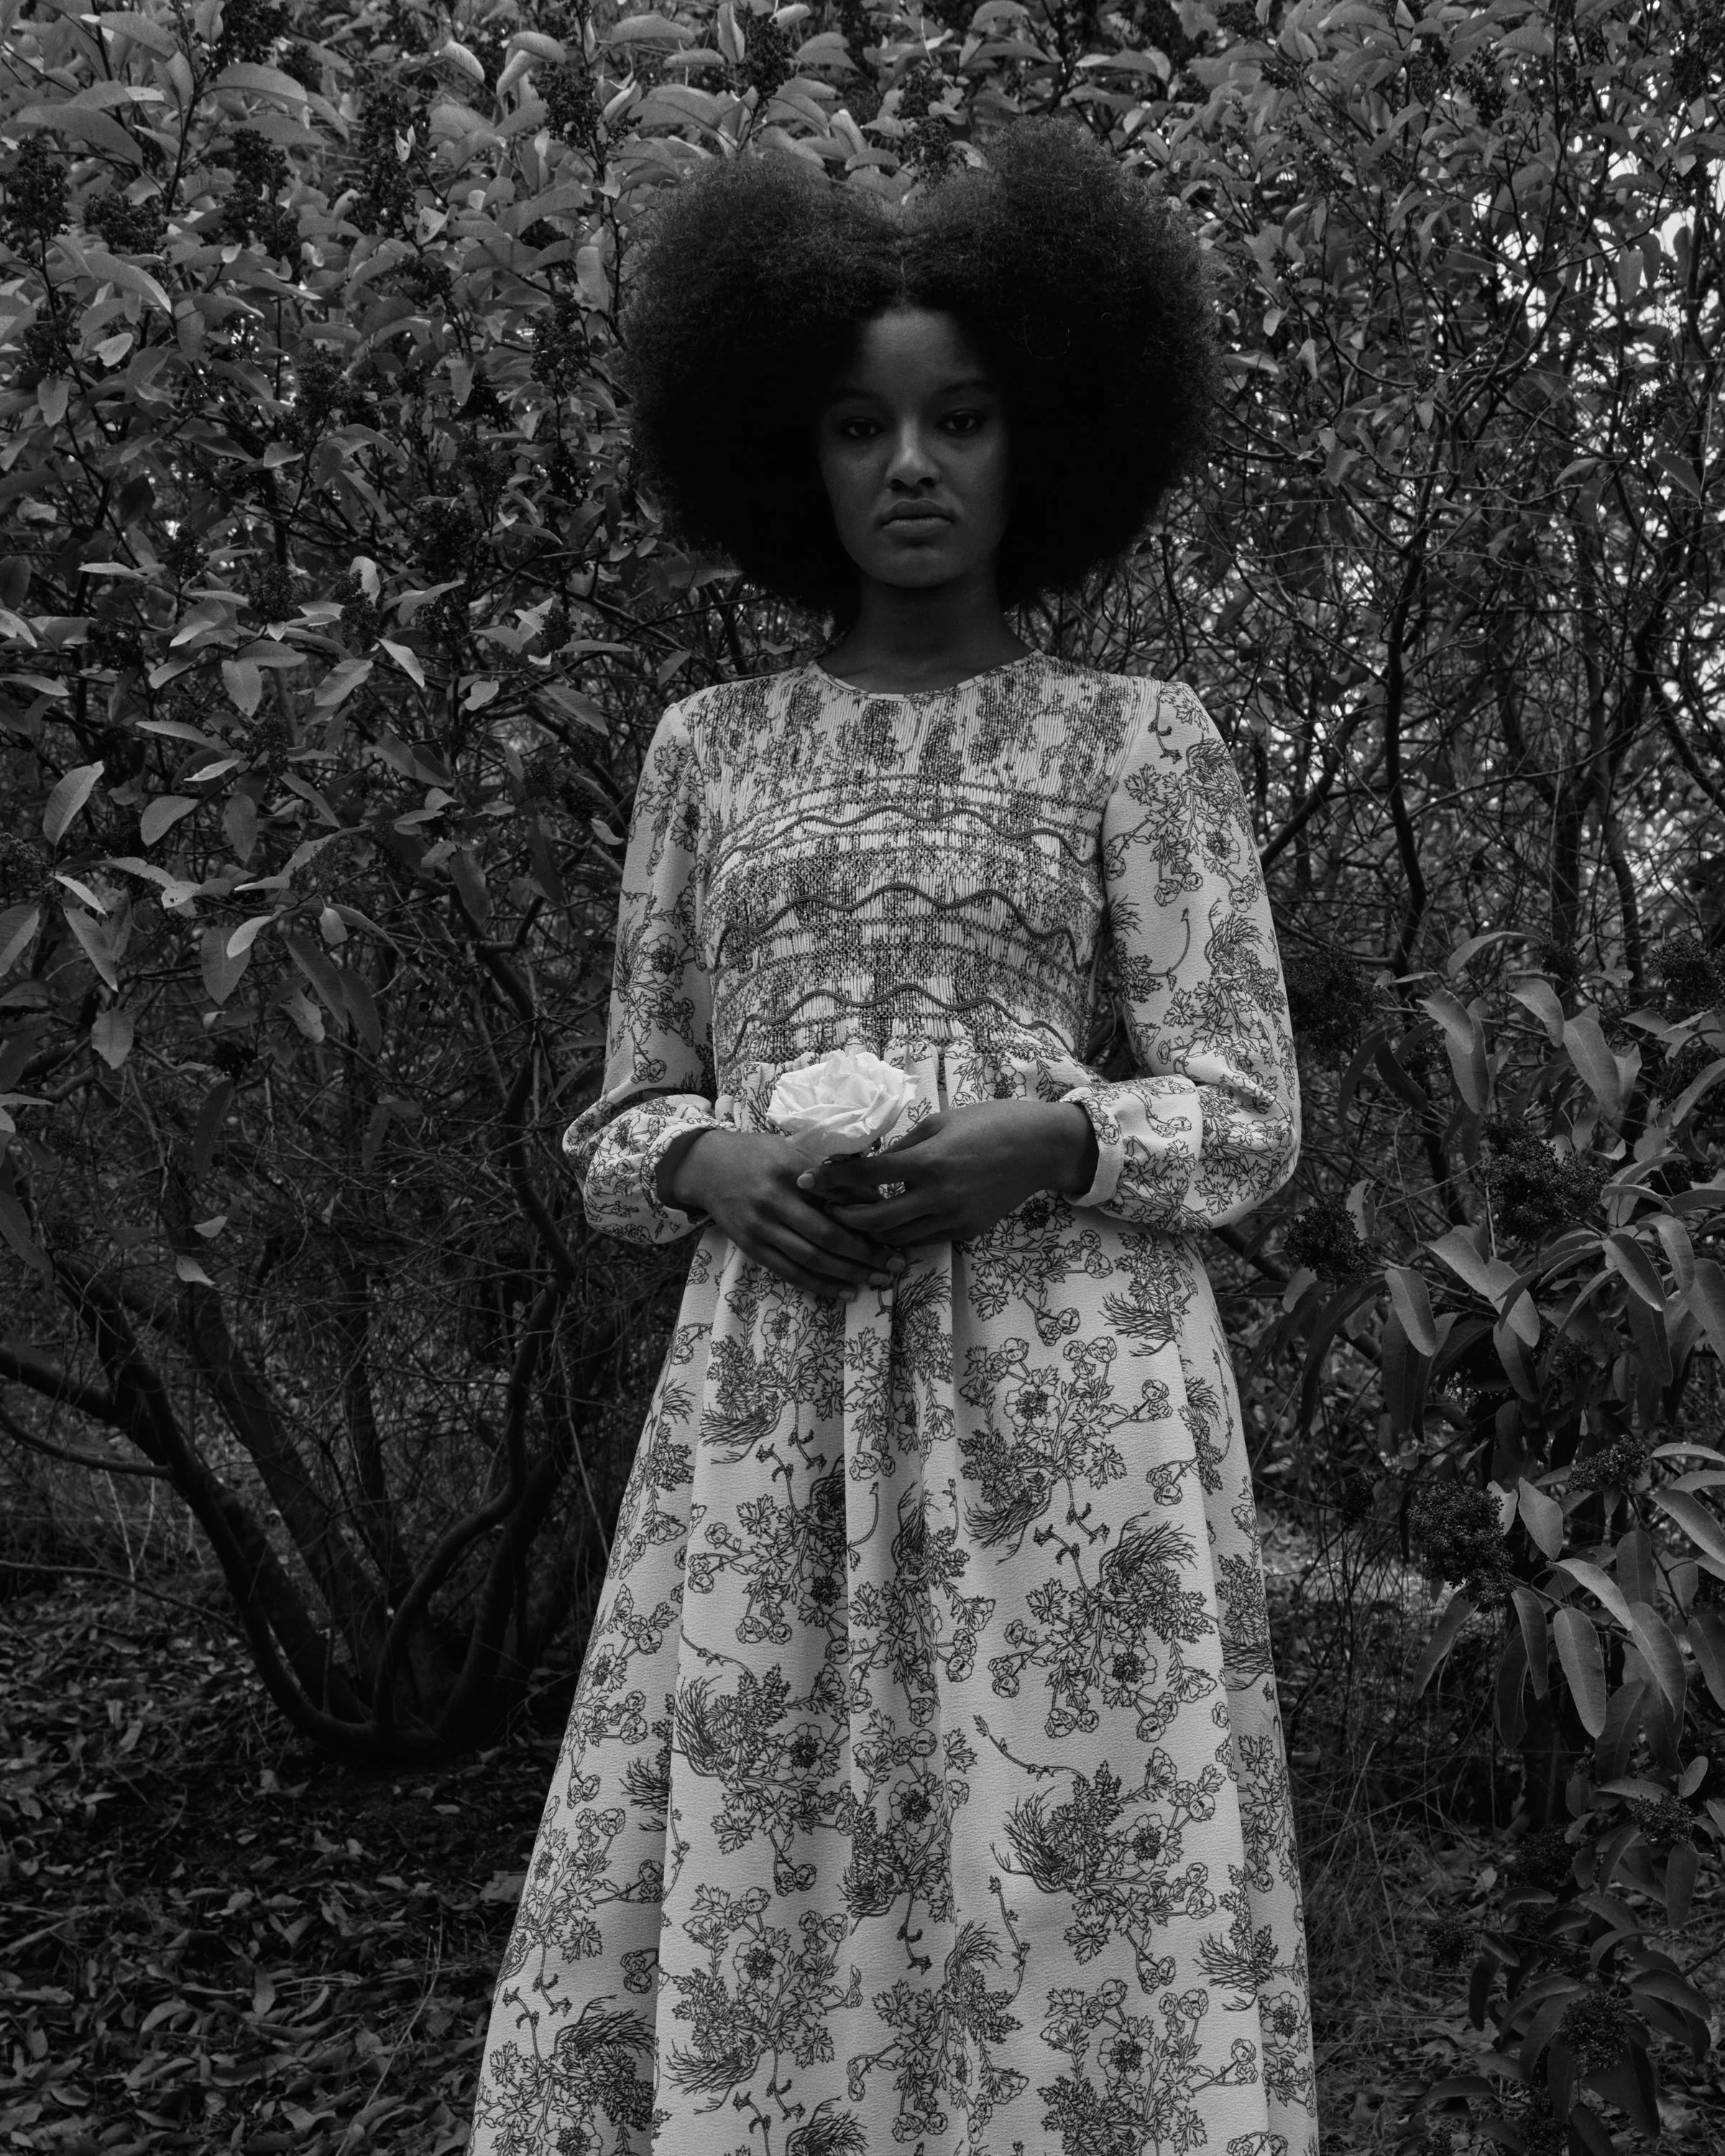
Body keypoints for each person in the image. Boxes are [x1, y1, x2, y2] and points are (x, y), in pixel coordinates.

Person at [472, 121, 1315, 2156]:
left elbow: (1249, 1112)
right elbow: (624, 1110)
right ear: (792, 455)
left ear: (1051, 441)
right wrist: (702, 1164)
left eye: (963, 419)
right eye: (861, 427)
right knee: (782, 1865)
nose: (912, 467)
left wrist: (1056, 1140)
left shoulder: (1141, 739)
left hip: (1069, 1416)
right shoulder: (711, 749)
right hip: (775, 1404)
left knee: (1076, 1876)